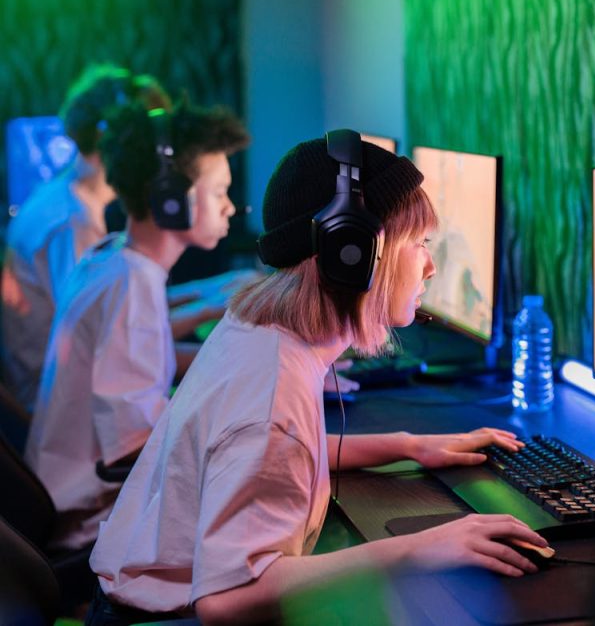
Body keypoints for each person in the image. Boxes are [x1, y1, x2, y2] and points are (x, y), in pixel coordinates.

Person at [87, 134, 548, 624]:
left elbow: (279, 453)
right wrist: (421, 548)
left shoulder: (257, 329)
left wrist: (409, 445)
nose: (431, 267)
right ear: (351, 252)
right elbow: (228, 601)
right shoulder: (272, 393)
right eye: (418, 244)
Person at [23, 101, 250, 552]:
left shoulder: (111, 257)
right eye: (219, 190)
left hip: (75, 502)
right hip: (97, 523)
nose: (229, 207)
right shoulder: (132, 285)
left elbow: (151, 364)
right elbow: (133, 447)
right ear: (171, 198)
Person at [1, 64, 170, 413]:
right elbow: (101, 339)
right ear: (115, 137)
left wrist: (206, 298)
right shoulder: (71, 222)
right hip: (54, 410)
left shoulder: (67, 198)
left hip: (62, 393)